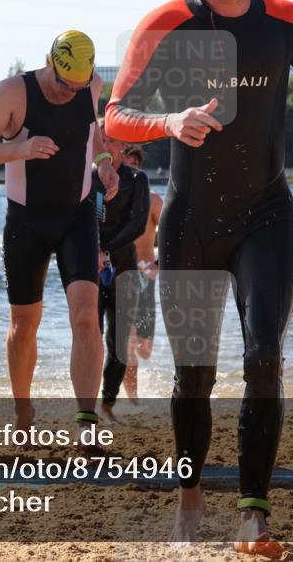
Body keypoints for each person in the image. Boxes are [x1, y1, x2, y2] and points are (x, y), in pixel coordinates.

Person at [104, 0, 293, 555]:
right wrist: (168, 121)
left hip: (266, 216)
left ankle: (253, 515)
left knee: (264, 356)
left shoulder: (287, 20)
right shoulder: (167, 23)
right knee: (194, 375)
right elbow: (115, 115)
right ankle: (189, 502)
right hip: (191, 223)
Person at [0, 30, 119, 433]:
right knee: (24, 326)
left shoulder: (90, 86)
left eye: (78, 87)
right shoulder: (12, 93)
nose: (71, 93)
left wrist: (104, 162)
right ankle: (22, 412)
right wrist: (19, 148)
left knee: (86, 316)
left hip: (76, 218)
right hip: (26, 222)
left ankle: (86, 421)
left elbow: (93, 133)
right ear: (50, 63)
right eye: (65, 84)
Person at [93, 126, 150, 422]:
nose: (106, 145)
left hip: (124, 269)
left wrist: (107, 249)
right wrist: (94, 250)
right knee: (90, 337)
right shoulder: (87, 178)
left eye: (111, 140)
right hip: (89, 267)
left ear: (123, 144)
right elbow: (78, 219)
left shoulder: (137, 180)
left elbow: (137, 225)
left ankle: (107, 402)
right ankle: (87, 403)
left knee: (119, 344)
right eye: (100, 140)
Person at [122, 145, 163, 403]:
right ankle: (132, 401)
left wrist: (158, 265)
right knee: (127, 342)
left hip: (145, 280)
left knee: (144, 349)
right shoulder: (106, 199)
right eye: (124, 165)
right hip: (120, 277)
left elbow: (174, 233)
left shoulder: (153, 200)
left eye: (133, 166)